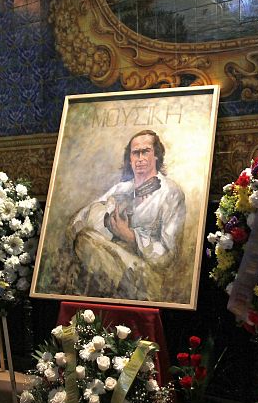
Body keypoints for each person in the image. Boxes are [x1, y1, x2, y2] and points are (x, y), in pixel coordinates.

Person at [66, 129, 187, 301]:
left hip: (147, 274)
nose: (140, 158)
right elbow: (77, 222)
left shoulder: (171, 192)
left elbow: (167, 256)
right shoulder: (121, 189)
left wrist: (132, 237)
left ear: (157, 156)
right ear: (129, 160)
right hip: (108, 259)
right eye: (135, 153)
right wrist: (107, 222)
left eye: (145, 151)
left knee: (86, 242)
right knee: (84, 238)